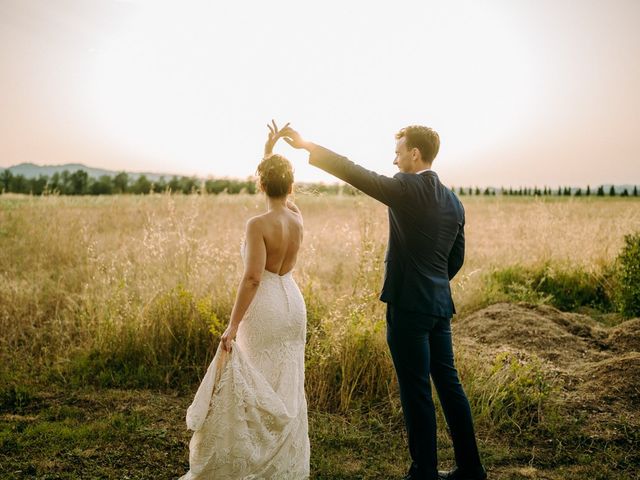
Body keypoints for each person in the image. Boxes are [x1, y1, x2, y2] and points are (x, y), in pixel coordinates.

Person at [280, 124, 486, 480]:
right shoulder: (454, 201)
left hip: (408, 307)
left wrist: (306, 145)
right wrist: (434, 284)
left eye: (399, 151)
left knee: (416, 390)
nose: (394, 158)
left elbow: (354, 172)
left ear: (415, 155)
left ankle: (424, 472)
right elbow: (456, 260)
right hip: (439, 306)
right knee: (450, 387)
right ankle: (471, 468)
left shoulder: (405, 188)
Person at [179, 121, 310, 479]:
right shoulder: (297, 218)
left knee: (255, 384)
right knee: (284, 385)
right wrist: (270, 153)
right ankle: (282, 464)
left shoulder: (257, 224)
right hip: (293, 305)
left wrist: (232, 325)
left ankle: (253, 463)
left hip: (265, 305)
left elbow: (253, 277)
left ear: (261, 184)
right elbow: (280, 191)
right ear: (291, 185)